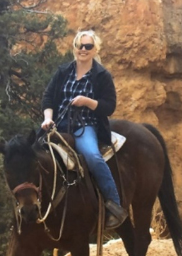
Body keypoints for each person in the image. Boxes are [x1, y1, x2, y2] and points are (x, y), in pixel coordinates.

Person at [41, 30, 127, 230]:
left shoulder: (102, 75)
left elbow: (109, 106)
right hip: (59, 124)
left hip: (85, 126)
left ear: (95, 49)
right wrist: (47, 119)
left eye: (88, 46)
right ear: (74, 48)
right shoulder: (64, 71)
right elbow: (48, 98)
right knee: (33, 154)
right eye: (80, 45)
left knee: (92, 156)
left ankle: (114, 205)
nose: (83, 50)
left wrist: (87, 102)